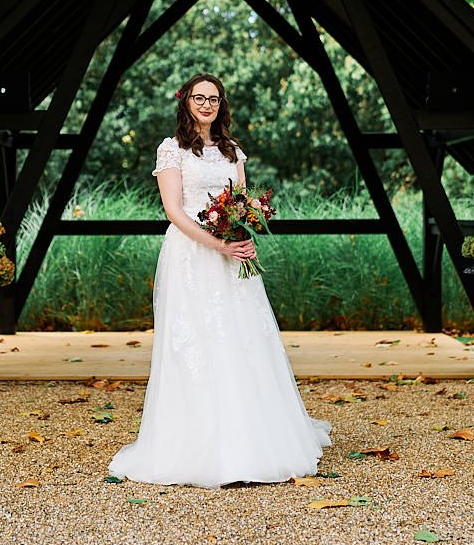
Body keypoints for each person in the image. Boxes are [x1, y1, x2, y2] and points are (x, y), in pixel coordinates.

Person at [108, 73, 332, 488]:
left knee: (240, 337)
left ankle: (252, 434)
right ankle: (197, 438)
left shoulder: (232, 150)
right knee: (196, 339)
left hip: (231, 256)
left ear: (221, 103)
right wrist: (217, 244)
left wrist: (243, 237)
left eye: (213, 98)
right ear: (186, 102)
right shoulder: (171, 150)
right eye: (199, 97)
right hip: (192, 255)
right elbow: (174, 211)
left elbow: (241, 203)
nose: (207, 104)